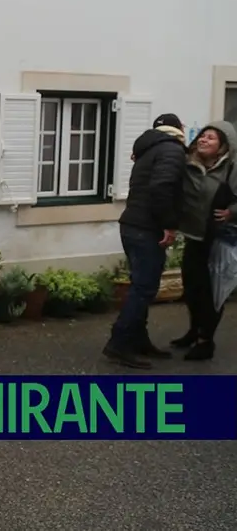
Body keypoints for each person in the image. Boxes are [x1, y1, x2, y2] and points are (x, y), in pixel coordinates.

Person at [104, 113, 187, 368]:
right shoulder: (171, 150)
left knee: (140, 285)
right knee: (144, 289)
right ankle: (119, 343)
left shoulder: (147, 149)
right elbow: (161, 188)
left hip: (132, 224)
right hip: (146, 228)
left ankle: (139, 340)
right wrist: (169, 225)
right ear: (179, 129)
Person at [174, 121, 237, 361]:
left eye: (211, 138)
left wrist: (232, 212)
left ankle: (205, 341)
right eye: (202, 136)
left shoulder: (231, 168)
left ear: (223, 147)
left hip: (219, 239)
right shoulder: (189, 164)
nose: (203, 140)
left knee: (211, 293)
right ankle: (193, 331)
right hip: (194, 236)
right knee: (192, 288)